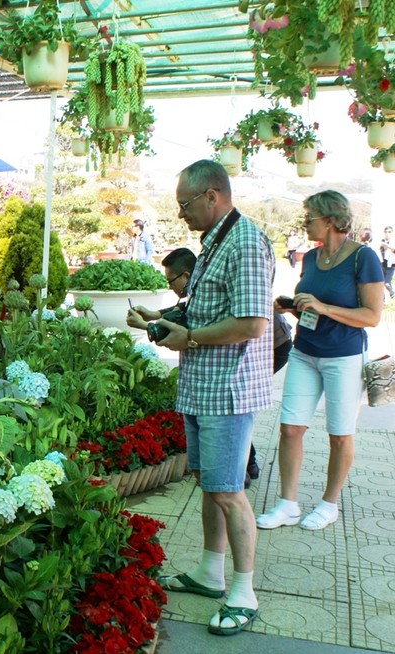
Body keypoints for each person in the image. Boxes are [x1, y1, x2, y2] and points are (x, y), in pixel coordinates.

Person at [127, 160, 273, 637]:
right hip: (205, 387)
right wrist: (166, 318)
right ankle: (211, 573)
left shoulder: (246, 242)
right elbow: (206, 307)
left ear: (213, 195)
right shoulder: (216, 241)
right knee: (212, 485)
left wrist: (188, 338)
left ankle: (244, 592)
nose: (182, 215)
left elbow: (252, 323)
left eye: (185, 205)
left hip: (227, 391)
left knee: (229, 491)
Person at [256, 191, 384, 532]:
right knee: (290, 428)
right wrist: (294, 305)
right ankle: (288, 503)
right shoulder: (310, 258)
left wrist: (324, 308)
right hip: (304, 350)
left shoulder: (363, 257)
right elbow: (311, 302)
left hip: (344, 356)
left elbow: (372, 316)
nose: (304, 222)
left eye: (309, 217)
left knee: (339, 434)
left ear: (329, 220)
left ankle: (329, 505)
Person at [129, 245, 291, 490]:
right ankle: (246, 465)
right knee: (233, 414)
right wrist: (153, 315)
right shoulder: (197, 283)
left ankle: (241, 468)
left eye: (170, 280)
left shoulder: (208, 279)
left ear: (186, 275)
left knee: (236, 410)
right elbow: (185, 307)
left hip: (273, 346)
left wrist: (147, 326)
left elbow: (186, 319)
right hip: (264, 342)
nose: (170, 286)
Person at [380, 225, 395, 300]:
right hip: (383, 263)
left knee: (387, 283)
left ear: (392, 233)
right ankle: (383, 299)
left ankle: (392, 294)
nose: (387, 233)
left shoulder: (393, 241)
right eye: (386, 232)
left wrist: (386, 245)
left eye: (389, 232)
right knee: (381, 282)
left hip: (391, 264)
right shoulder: (382, 240)